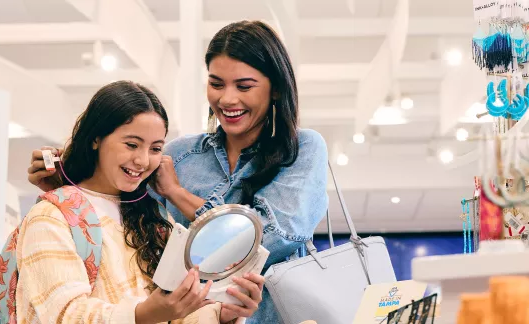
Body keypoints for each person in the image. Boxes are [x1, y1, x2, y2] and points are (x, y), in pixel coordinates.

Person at [27, 21, 329, 323]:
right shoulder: (180, 154)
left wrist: (176, 193)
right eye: (216, 83)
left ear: (275, 88)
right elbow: (124, 217)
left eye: (244, 86)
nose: (227, 99)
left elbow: (273, 237)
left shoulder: (302, 148)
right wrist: (66, 188)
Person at [16, 81, 263, 324]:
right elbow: (62, 315)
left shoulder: (154, 217)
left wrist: (223, 314)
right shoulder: (51, 216)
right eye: (132, 144)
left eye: (155, 148)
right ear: (96, 139)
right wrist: (144, 314)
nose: (143, 160)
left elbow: (174, 317)